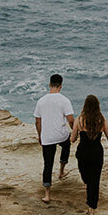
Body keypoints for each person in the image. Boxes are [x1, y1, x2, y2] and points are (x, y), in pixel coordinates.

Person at [70, 94, 108, 215]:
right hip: (96, 152)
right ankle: (92, 207)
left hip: (83, 151)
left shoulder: (79, 119)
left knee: (84, 174)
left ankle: (87, 184)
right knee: (95, 180)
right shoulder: (101, 119)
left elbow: (73, 138)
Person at [33, 73, 75, 203]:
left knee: (48, 164)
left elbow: (37, 121)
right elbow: (71, 120)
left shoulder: (41, 101)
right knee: (66, 145)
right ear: (61, 85)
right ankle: (62, 171)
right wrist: (74, 133)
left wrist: (40, 135)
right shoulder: (64, 100)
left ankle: (47, 194)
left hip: (47, 136)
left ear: (49, 84)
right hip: (61, 135)